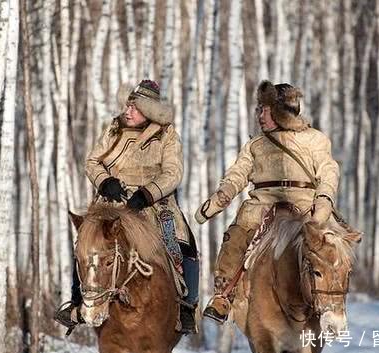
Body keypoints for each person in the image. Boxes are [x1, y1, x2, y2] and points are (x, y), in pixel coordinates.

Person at [55, 80, 199, 334]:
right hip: (112, 202)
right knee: (86, 243)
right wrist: (105, 181)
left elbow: (173, 173)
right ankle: (77, 303)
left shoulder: (167, 135)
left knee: (184, 243)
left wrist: (147, 194)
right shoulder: (113, 129)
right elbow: (92, 162)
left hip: (153, 203)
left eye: (135, 107)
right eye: (128, 105)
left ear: (151, 111)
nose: (128, 111)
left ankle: (186, 307)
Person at [195, 81, 340, 323]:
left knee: (334, 247)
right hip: (260, 208)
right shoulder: (255, 144)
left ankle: (333, 303)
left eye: (266, 109)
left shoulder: (315, 139)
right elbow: (237, 174)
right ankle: (223, 296)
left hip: (305, 208)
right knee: (235, 238)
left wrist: (323, 202)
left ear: (281, 110)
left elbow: (328, 172)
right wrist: (223, 195)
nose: (260, 115)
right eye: (259, 109)